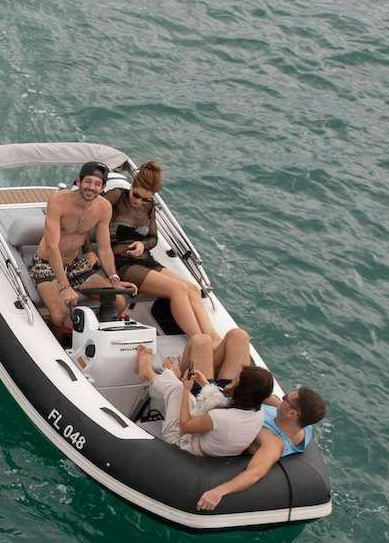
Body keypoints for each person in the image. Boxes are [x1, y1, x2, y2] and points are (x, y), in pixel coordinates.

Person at [110, 161, 216, 370]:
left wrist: (142, 244)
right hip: (121, 262)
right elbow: (92, 215)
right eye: (136, 195)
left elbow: (153, 239)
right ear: (131, 185)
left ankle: (212, 337)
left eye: (145, 198)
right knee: (177, 289)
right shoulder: (116, 196)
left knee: (193, 289)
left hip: (144, 259)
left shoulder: (148, 207)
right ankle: (198, 342)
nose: (139, 201)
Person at [30, 160, 136, 342]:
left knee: (118, 301)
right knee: (59, 313)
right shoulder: (58, 200)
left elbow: (104, 248)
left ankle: (93, 340)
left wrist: (114, 279)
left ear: (102, 187)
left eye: (97, 184)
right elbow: (52, 246)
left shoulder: (104, 208)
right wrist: (64, 286)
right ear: (78, 182)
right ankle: (56, 338)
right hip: (46, 264)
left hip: (75, 264)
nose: (91, 187)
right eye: (88, 181)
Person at [197, 382, 330, 513]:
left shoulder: (272, 442)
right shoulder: (295, 422)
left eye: (285, 398)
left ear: (292, 414)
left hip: (211, 406)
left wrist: (219, 492)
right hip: (228, 396)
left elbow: (255, 472)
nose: (282, 399)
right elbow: (274, 400)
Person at [135, 344, 270, 462]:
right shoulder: (257, 413)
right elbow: (223, 402)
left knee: (178, 390)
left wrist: (187, 389)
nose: (232, 381)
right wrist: (205, 383)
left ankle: (147, 373)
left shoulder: (220, 418)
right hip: (206, 445)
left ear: (241, 391)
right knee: (185, 394)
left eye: (236, 381)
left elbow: (185, 426)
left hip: (180, 445)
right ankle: (166, 376)